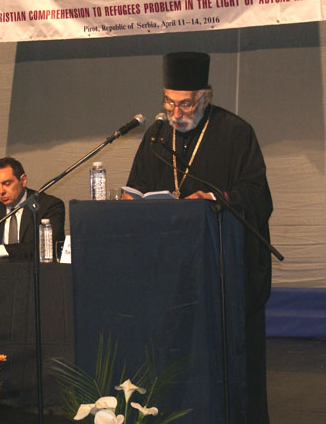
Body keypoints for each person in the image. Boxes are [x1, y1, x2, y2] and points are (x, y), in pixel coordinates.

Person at [125, 51, 273, 424]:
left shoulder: (236, 132)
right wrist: (128, 202)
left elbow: (258, 194)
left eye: (185, 104)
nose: (175, 113)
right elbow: (137, 186)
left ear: (204, 97)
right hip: (170, 274)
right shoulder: (157, 136)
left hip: (222, 272)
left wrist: (216, 197)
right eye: (169, 102)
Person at [0, 157, 65, 259]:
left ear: (23, 180)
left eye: (7, 184)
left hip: (31, 267)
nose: (1, 191)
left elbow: (48, 245)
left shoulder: (48, 205)